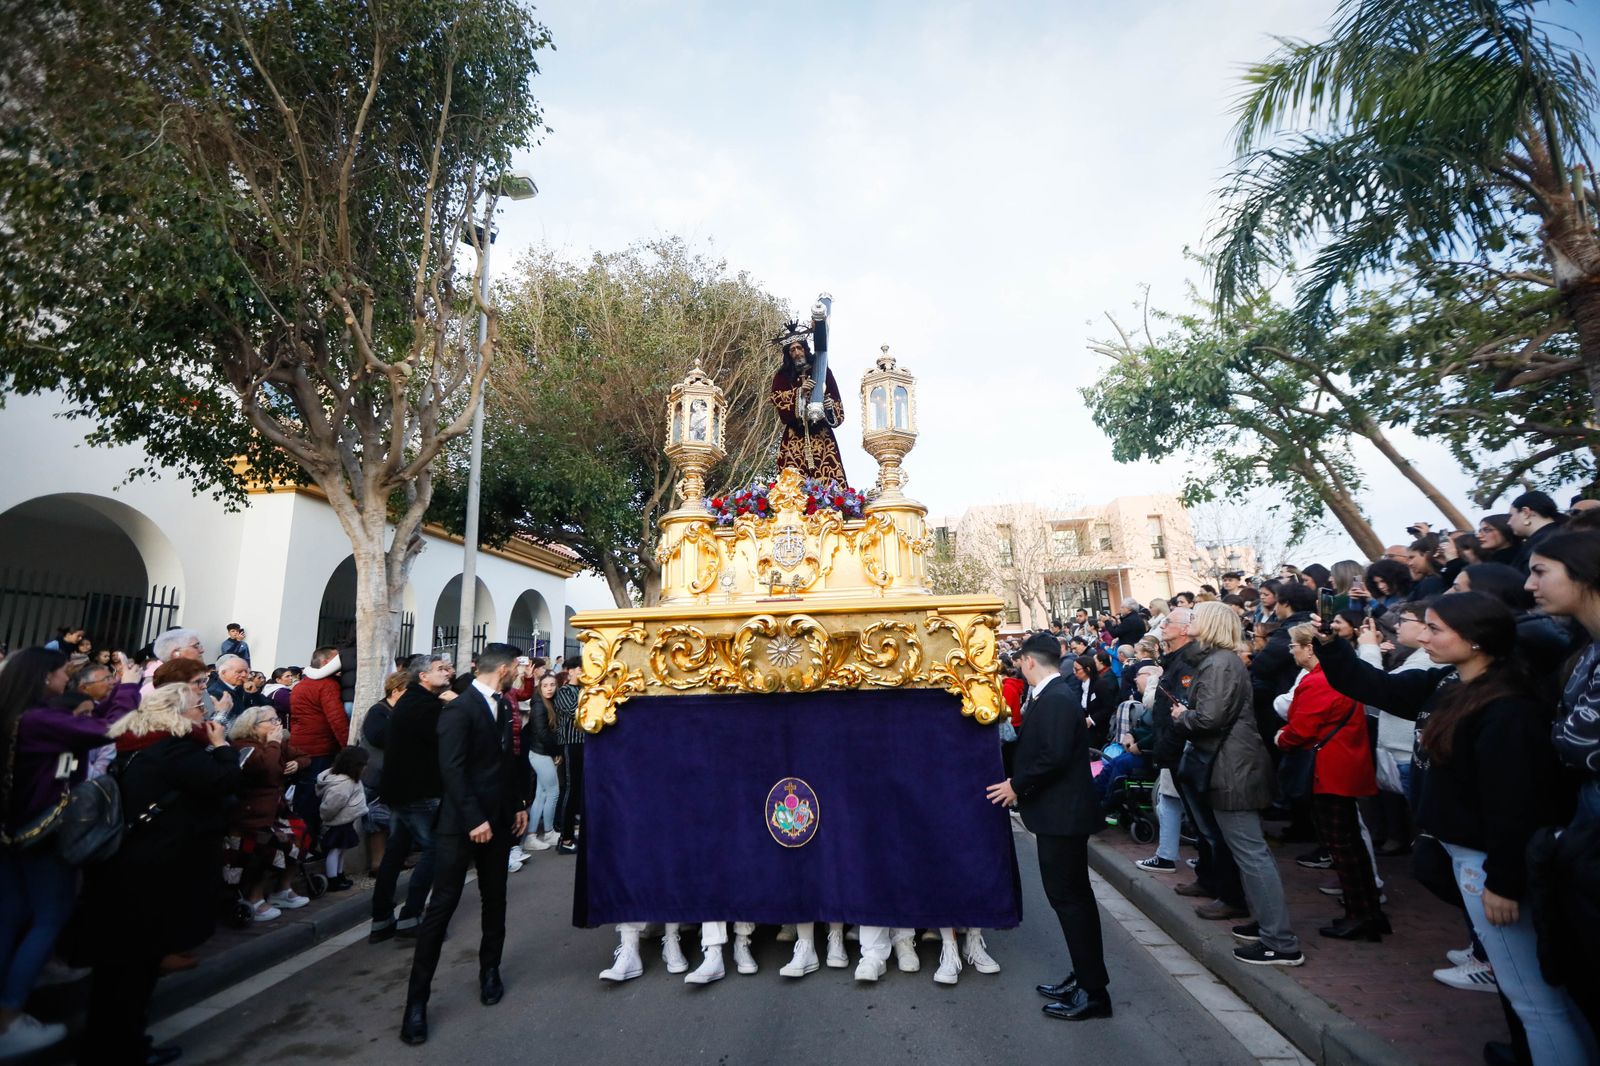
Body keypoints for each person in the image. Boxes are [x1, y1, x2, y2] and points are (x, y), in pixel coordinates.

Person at [1314, 592, 1596, 1063]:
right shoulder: (1450, 681)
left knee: (1535, 1001)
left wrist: (1503, 883)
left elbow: (1514, 807)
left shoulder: (1508, 707)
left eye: (1436, 629)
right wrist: (1334, 648)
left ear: (1478, 640)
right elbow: (1382, 690)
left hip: (1487, 863)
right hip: (1468, 857)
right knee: (1529, 998)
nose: (1423, 637)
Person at [81, 683, 245, 1066]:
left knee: (118, 968)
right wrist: (222, 747)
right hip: (158, 867)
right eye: (197, 709)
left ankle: (106, 1044)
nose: (203, 715)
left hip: (127, 864)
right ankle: (124, 1049)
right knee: (135, 968)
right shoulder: (173, 748)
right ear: (178, 712)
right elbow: (225, 782)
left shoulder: (133, 741)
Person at [400, 644, 532, 1046]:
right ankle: (415, 1004)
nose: (519, 676)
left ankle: (489, 973)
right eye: (518, 669)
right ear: (506, 669)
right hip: (461, 826)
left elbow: (506, 764)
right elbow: (452, 769)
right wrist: (474, 819)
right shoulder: (459, 708)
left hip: (499, 821)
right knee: (441, 907)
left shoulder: (505, 706)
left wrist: (518, 805)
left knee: (496, 900)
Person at [0, 649, 127, 1058]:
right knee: (50, 915)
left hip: (11, 830)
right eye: (60, 674)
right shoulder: (39, 719)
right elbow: (108, 729)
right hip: (40, 829)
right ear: (43, 678)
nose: (64, 681)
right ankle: (8, 1019)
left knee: (13, 915)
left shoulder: (16, 715)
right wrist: (127, 687)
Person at [987, 632, 1111, 1021]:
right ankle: (1085, 977)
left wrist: (1016, 786)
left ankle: (1094, 994)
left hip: (1063, 816)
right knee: (1071, 900)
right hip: (1058, 814)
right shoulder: (1054, 695)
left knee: (1070, 901)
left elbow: (1053, 756)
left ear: (1027, 661)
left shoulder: (1056, 697)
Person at [1171, 602, 1303, 967]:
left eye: (1195, 616)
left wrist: (1184, 716)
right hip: (1230, 764)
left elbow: (1209, 718)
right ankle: (1266, 926)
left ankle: (1280, 940)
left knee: (1251, 853)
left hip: (1233, 767)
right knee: (1248, 852)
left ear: (1212, 624)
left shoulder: (1219, 663)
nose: (1189, 621)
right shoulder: (1219, 661)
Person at [1275, 624, 1384, 941]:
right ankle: (1366, 912)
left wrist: (1283, 738)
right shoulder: (1333, 676)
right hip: (1344, 763)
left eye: (1295, 646)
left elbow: (1300, 728)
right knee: (1349, 845)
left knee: (1343, 847)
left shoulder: (1320, 680)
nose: (1292, 651)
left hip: (1331, 768)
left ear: (1310, 648)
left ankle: (1360, 914)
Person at [370, 654, 453, 944]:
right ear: (423, 677)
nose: (448, 673)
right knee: (434, 850)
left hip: (402, 790)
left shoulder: (415, 702)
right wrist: (453, 704)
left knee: (396, 850)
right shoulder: (424, 705)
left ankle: (381, 919)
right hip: (418, 792)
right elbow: (445, 737)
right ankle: (411, 918)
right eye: (440, 669)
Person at [224, 706, 310, 922]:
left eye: (277, 720)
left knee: (300, 835)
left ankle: (283, 889)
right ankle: (254, 897)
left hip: (275, 809)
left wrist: (296, 763)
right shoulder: (244, 746)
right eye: (271, 721)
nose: (277, 724)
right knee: (265, 847)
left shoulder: (277, 744)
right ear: (253, 726)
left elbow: (305, 756)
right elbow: (267, 768)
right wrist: (273, 743)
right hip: (251, 813)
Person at [769, 299, 847, 483]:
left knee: (829, 483)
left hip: (822, 436)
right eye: (792, 350)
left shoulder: (822, 370)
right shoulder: (782, 376)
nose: (797, 353)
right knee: (792, 486)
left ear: (805, 349)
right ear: (788, 354)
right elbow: (777, 399)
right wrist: (799, 392)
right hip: (794, 438)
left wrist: (829, 407)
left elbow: (837, 403)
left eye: (799, 348)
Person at [289, 645, 348, 836]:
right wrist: (347, 746)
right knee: (312, 798)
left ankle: (299, 840)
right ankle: (306, 841)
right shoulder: (326, 685)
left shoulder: (301, 685)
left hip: (301, 746)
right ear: (325, 663)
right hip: (320, 749)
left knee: (303, 795)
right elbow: (336, 719)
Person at [317, 745, 369, 892]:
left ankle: (339, 875)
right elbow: (331, 806)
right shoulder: (344, 784)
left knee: (341, 850)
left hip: (345, 822)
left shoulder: (349, 781)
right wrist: (327, 817)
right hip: (339, 823)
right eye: (363, 765)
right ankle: (333, 878)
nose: (365, 768)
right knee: (335, 851)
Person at [523, 674, 563, 852]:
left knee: (542, 795)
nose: (549, 688)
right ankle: (547, 832)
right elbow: (543, 734)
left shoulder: (546, 702)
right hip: (541, 753)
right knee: (553, 792)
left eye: (552, 685)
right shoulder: (539, 704)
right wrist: (556, 752)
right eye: (545, 685)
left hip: (540, 753)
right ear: (540, 686)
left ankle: (532, 835)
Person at [553, 656, 584, 854]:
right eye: (580, 669)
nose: (583, 672)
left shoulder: (585, 690)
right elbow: (577, 712)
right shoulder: (564, 691)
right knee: (571, 789)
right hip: (572, 743)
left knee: (581, 789)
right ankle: (565, 836)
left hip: (586, 743)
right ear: (570, 671)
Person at [1509, 491, 1565, 574]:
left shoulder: (1545, 542)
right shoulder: (1559, 534)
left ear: (1525, 513)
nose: (1509, 522)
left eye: (1511, 515)